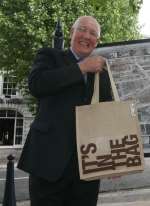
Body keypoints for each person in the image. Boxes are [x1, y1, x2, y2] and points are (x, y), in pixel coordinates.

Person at [18, 16, 112, 206]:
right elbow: (37, 85)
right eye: (82, 29)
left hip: (88, 167)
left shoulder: (102, 72)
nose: (87, 36)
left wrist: (111, 159)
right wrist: (82, 67)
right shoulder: (50, 56)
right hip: (48, 164)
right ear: (71, 32)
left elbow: (106, 113)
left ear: (98, 41)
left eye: (93, 33)